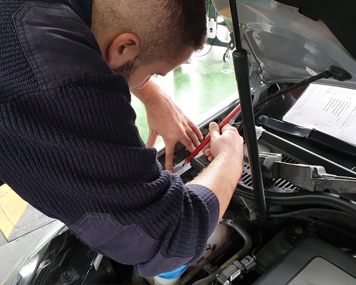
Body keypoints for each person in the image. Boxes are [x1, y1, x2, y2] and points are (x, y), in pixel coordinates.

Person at [0, 0, 244, 277]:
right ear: (123, 48)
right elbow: (171, 236)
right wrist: (230, 159)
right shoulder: (57, 87)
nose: (145, 83)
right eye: (153, 73)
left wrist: (154, 96)